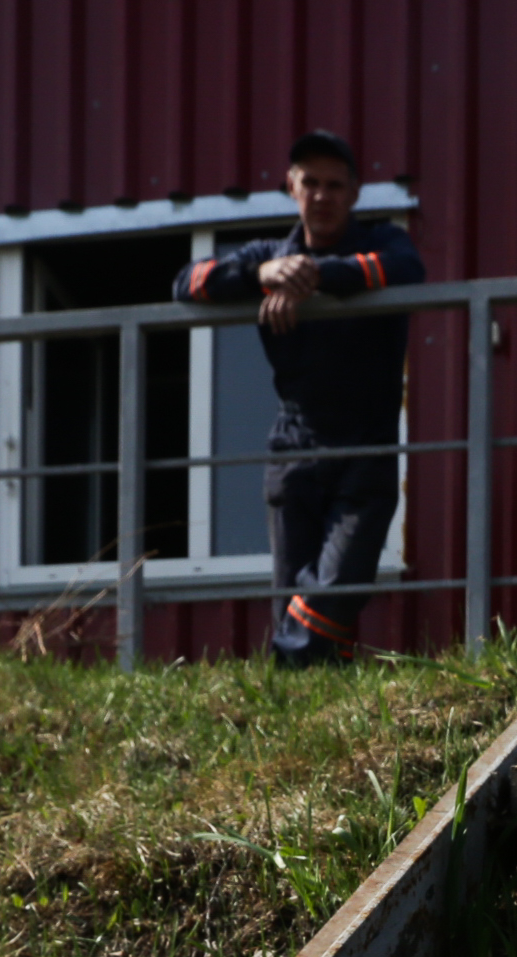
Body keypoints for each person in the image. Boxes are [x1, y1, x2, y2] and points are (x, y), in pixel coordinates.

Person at [176, 129, 425, 666]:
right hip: (294, 447)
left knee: (326, 595)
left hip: (366, 447)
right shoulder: (271, 256)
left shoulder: (383, 241)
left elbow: (405, 271)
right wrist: (261, 274)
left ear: (354, 193)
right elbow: (188, 282)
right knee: (295, 605)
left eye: (335, 185)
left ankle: (288, 681)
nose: (322, 195)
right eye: (310, 182)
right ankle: (311, 709)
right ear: (291, 188)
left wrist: (311, 279)